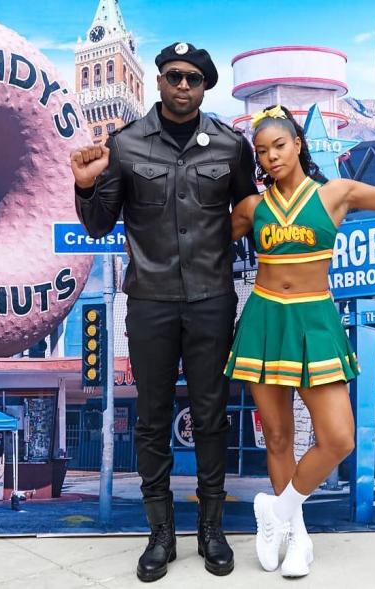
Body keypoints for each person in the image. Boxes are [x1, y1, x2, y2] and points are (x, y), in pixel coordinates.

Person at [71, 42, 257, 582]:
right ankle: (160, 535)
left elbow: (246, 211)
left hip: (211, 301)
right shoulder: (125, 145)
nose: (182, 86)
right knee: (151, 422)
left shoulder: (230, 145)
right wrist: (86, 187)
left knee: (210, 419)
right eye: (174, 76)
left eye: (193, 79)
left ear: (205, 87)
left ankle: (211, 530)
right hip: (149, 302)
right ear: (157, 81)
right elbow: (99, 225)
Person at [225, 105, 375, 577]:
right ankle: (297, 540)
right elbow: (199, 241)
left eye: (279, 146)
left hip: (315, 320)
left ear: (298, 144)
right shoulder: (252, 207)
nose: (271, 157)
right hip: (264, 319)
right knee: (277, 437)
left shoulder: (336, 193)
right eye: (262, 151)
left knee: (338, 437)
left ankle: (276, 511)